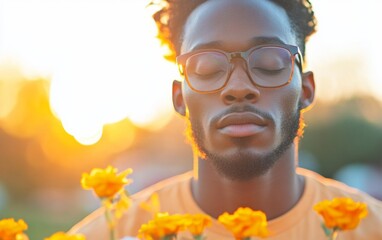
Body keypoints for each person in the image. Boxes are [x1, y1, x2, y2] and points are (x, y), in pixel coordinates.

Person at [69, 0, 382, 239]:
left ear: (306, 90)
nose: (238, 88)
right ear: (179, 98)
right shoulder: (109, 233)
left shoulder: (372, 227)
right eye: (206, 68)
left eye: (270, 62)